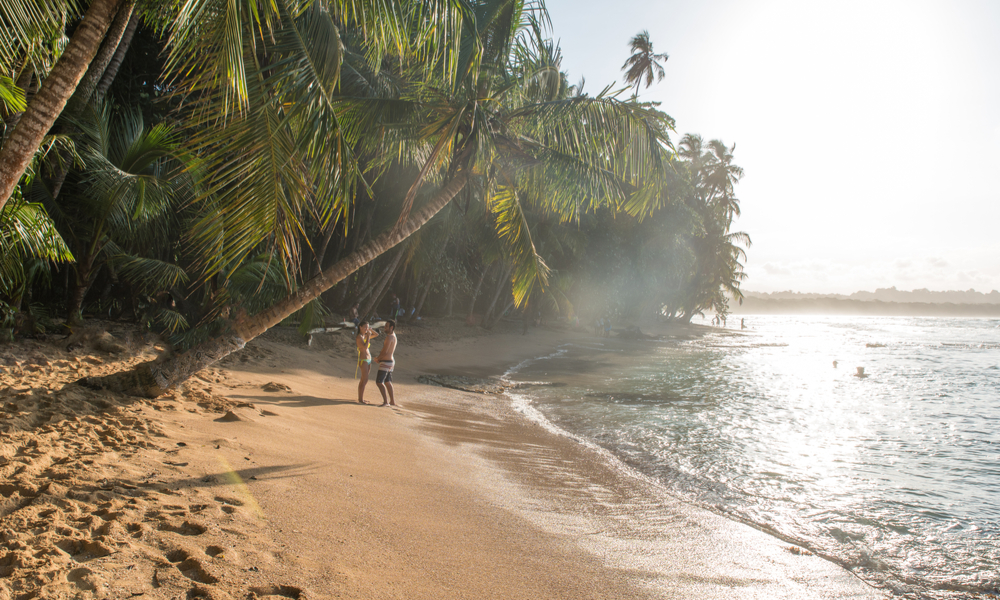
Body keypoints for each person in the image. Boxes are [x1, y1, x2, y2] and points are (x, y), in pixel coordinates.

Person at [355, 320, 379, 404]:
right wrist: (368, 336)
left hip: (368, 359)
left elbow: (376, 334)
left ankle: (361, 398)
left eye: (367, 327)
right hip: (363, 360)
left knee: (364, 379)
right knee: (364, 380)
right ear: (360, 327)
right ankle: (360, 399)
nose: (366, 329)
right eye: (365, 327)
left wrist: (370, 330)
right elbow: (365, 348)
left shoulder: (364, 335)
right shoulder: (359, 337)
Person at [374, 319, 397, 407]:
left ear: (391, 327)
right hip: (391, 362)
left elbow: (385, 351)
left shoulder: (389, 337)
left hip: (386, 362)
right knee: (387, 381)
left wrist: (378, 358)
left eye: (386, 326)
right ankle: (392, 401)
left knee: (379, 382)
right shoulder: (393, 336)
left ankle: (386, 402)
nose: (385, 327)